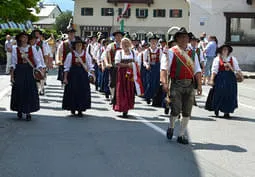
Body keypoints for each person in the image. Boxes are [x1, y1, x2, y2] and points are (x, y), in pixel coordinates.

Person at [161, 27, 202, 144]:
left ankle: (181, 134)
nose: (184, 39)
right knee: (175, 109)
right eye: (182, 37)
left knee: (187, 111)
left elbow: (197, 70)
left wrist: (199, 85)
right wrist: (164, 82)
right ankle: (171, 126)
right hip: (176, 84)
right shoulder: (171, 52)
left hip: (189, 85)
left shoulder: (193, 54)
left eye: (186, 37)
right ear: (177, 39)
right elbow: (164, 68)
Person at [10, 32, 44, 121]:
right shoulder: (15, 49)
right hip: (20, 72)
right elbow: (13, 63)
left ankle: (28, 111)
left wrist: (40, 70)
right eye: (22, 37)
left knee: (29, 91)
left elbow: (38, 61)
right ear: (20, 39)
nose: (24, 39)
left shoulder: (32, 48)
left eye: (25, 37)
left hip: (29, 72)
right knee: (19, 90)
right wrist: (12, 75)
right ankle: (19, 110)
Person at [62, 36, 94, 117]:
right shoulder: (70, 55)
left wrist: (92, 75)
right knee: (72, 91)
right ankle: (72, 108)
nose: (78, 46)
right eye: (77, 45)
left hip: (82, 76)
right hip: (72, 76)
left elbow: (90, 66)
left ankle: (80, 109)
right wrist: (65, 78)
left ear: (82, 45)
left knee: (82, 92)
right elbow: (67, 67)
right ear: (74, 46)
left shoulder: (86, 54)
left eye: (80, 45)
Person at [208, 44, 242, 118]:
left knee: (230, 95)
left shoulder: (233, 59)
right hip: (220, 79)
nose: (225, 51)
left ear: (229, 51)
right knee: (219, 94)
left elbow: (237, 68)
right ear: (221, 51)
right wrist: (212, 79)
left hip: (230, 79)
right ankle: (216, 108)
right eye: (223, 49)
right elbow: (214, 71)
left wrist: (240, 75)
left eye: (226, 49)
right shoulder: (217, 59)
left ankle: (227, 112)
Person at [114, 38, 137, 118]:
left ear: (130, 44)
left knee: (129, 90)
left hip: (130, 74)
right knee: (121, 90)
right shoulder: (119, 52)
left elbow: (136, 63)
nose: (126, 45)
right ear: (121, 44)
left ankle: (127, 108)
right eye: (124, 43)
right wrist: (127, 65)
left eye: (127, 43)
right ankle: (122, 107)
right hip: (122, 74)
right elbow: (117, 63)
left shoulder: (133, 52)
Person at [105, 30, 124, 104]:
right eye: (117, 36)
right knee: (112, 82)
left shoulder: (124, 45)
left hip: (122, 66)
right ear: (115, 37)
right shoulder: (111, 46)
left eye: (120, 36)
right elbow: (106, 55)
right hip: (113, 66)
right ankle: (113, 96)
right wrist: (107, 64)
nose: (118, 37)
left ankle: (119, 97)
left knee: (121, 82)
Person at [143, 32, 163, 105]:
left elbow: (161, 60)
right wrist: (146, 65)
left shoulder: (160, 50)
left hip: (157, 68)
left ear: (157, 42)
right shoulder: (147, 50)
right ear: (150, 42)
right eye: (152, 41)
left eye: (155, 41)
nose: (154, 42)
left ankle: (154, 97)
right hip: (150, 68)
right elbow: (144, 60)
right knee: (149, 83)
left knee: (156, 84)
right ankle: (148, 96)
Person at [56, 23, 76, 88]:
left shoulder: (77, 42)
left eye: (73, 33)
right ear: (68, 34)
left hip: (75, 64)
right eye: (70, 33)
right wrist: (58, 60)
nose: (72, 35)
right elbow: (58, 52)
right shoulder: (63, 43)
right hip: (65, 64)